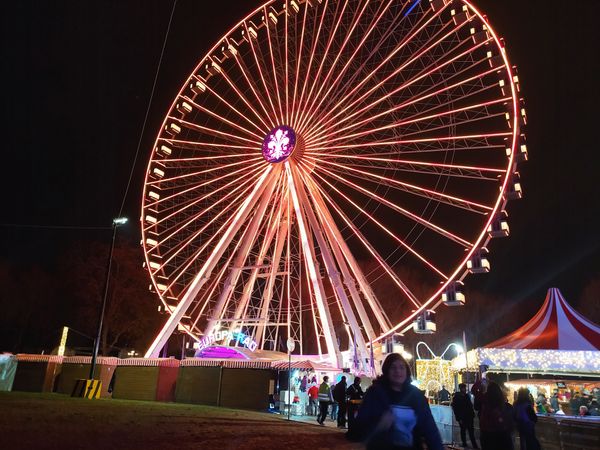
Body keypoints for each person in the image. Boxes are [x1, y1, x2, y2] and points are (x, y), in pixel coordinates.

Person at [347, 353, 443, 450]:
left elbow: (430, 428)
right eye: (393, 367)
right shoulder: (375, 394)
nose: (398, 371)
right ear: (387, 370)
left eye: (401, 367)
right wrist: (378, 425)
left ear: (407, 370)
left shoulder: (416, 395)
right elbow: (358, 428)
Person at [479, 381, 514, 450]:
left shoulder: (485, 408)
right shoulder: (507, 407)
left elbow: (482, 424)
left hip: (488, 438)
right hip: (503, 438)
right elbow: (510, 423)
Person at [451, 383, 479, 449]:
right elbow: (456, 409)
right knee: (463, 431)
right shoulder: (457, 397)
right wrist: (459, 418)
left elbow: (469, 406)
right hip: (463, 417)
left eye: (465, 388)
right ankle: (465, 444)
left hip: (469, 416)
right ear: (460, 388)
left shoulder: (466, 396)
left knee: (471, 432)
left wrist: (472, 414)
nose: (465, 389)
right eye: (463, 388)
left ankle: (474, 445)